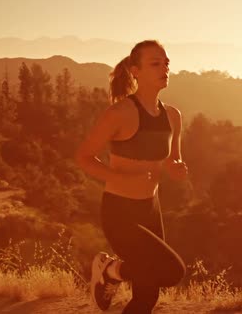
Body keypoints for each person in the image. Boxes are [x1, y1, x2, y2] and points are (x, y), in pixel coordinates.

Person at [75, 40, 187, 313]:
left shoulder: (173, 116)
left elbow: (172, 159)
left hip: (151, 209)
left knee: (147, 297)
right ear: (135, 71)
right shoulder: (119, 113)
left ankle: (111, 273)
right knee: (172, 271)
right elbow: (84, 157)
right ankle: (110, 270)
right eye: (155, 63)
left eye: (166, 63)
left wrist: (176, 168)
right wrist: (119, 178)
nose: (165, 68)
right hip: (120, 212)